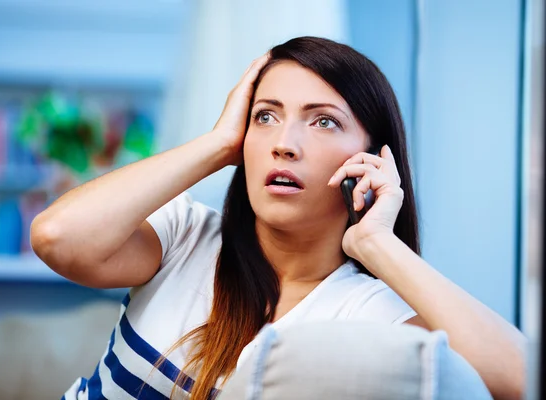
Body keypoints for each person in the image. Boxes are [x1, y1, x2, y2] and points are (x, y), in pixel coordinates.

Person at [31, 36, 526, 400]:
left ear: (372, 159)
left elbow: (522, 381)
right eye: (265, 116)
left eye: (324, 120)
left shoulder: (366, 313)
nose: (284, 143)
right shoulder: (185, 236)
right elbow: (56, 238)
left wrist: (378, 243)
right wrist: (218, 144)